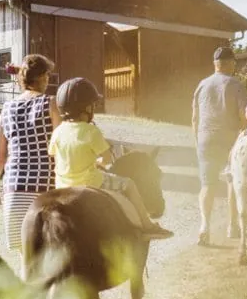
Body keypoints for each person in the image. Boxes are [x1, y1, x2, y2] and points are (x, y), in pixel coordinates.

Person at [49, 77, 172, 239]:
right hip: (90, 182)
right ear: (86, 108)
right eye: (92, 105)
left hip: (62, 185)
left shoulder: (58, 131)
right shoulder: (91, 131)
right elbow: (106, 159)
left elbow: (52, 153)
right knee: (129, 184)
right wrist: (97, 163)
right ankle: (147, 225)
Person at [0, 54, 60, 250]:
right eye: (47, 75)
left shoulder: (6, 109)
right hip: (46, 189)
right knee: (53, 258)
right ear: (42, 76)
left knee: (26, 263)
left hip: (14, 193)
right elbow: (61, 145)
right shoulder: (51, 103)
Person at [192, 47, 247, 246]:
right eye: (234, 62)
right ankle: (232, 226)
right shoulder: (235, 84)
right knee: (232, 181)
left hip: (205, 139)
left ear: (215, 64)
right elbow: (245, 116)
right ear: (230, 63)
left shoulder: (202, 85)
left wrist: (198, 142)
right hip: (229, 140)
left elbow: (194, 118)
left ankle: (204, 227)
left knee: (207, 184)